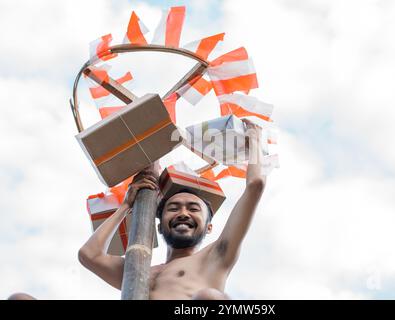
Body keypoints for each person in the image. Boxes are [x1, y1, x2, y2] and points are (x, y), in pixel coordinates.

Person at [79, 120, 267, 300]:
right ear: (159, 227)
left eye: (193, 208)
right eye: (173, 208)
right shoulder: (138, 270)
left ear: (209, 227)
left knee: (208, 297)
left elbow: (255, 185)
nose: (183, 213)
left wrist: (255, 140)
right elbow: (89, 255)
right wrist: (126, 205)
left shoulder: (215, 257)